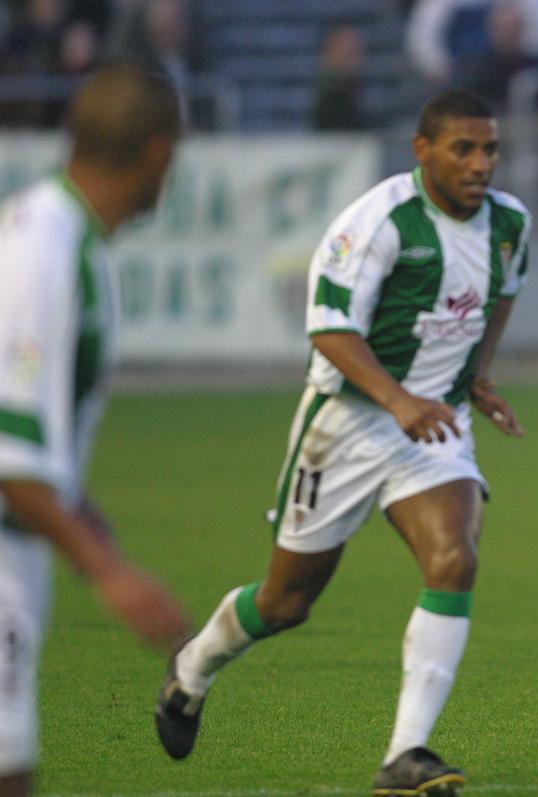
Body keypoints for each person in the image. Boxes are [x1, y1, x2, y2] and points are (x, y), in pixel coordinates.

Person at [154, 89, 530, 796]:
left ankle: (405, 754)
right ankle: (193, 668)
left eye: (491, 149)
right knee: (287, 600)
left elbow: (503, 291)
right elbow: (328, 326)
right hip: (348, 423)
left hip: (435, 424)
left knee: (455, 556)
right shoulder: (380, 219)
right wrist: (397, 399)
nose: (481, 163)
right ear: (423, 151)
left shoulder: (510, 223)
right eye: (463, 148)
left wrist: (476, 375)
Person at [0, 63, 190, 797]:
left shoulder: (63, 238)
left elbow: (39, 457)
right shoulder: (44, 252)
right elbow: (10, 453)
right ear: (158, 154)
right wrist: (107, 570)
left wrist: (93, 530)